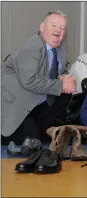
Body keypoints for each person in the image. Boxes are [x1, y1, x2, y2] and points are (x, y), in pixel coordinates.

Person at [1, 11, 76, 145]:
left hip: (37, 102)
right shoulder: (32, 47)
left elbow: (58, 70)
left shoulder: (61, 48)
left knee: (65, 97)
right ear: (42, 27)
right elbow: (29, 81)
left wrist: (65, 77)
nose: (58, 30)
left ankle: (41, 128)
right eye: (54, 25)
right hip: (18, 105)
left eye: (62, 27)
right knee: (33, 141)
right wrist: (61, 85)